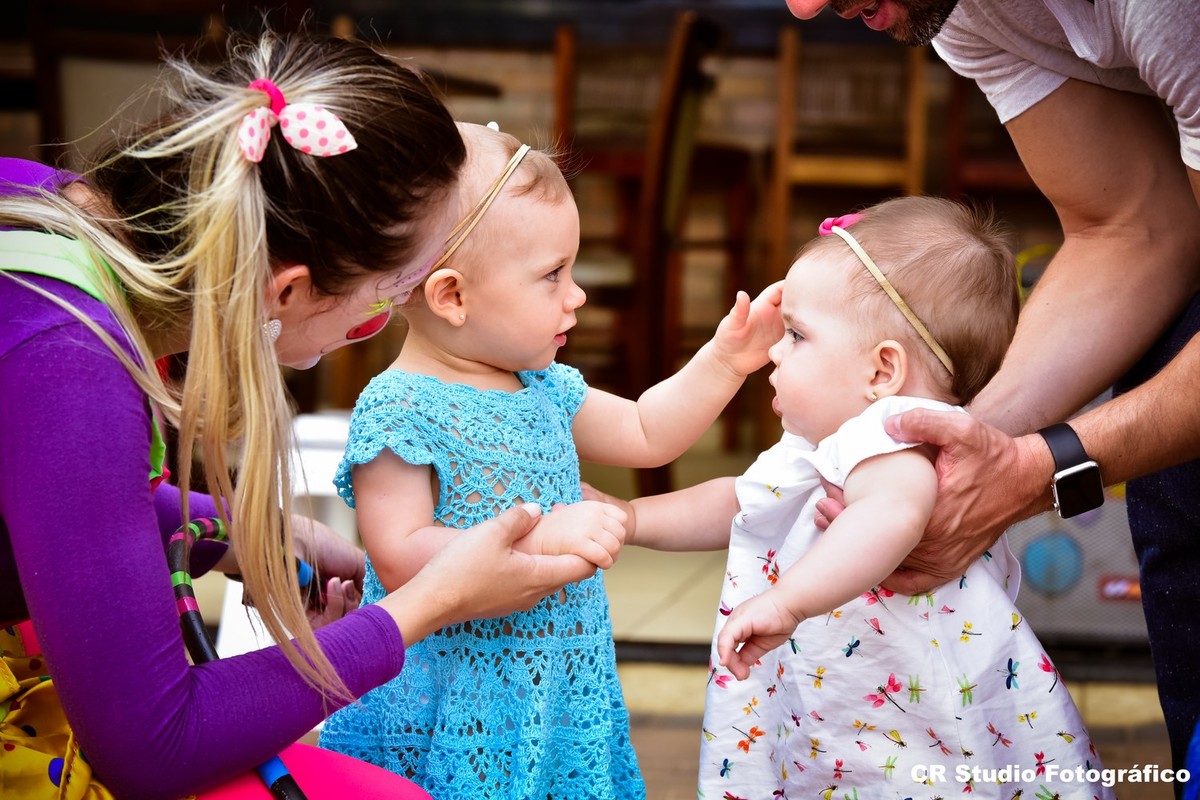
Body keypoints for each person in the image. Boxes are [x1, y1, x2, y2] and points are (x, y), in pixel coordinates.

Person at [0, 29, 609, 800]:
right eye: (386, 298)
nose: (383, 323)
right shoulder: (71, 361)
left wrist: (239, 537)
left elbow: (59, 498)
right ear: (287, 293)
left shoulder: (45, 215)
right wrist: (430, 604)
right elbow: (153, 748)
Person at [781, 0, 1200, 781]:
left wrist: (1043, 467)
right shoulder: (961, 13)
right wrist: (968, 446)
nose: (804, 7)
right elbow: (1132, 225)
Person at [315, 121, 782, 799]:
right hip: (453, 703)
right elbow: (399, 553)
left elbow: (650, 432)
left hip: (555, 688)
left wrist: (724, 360)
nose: (577, 294)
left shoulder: (545, 388)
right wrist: (540, 534)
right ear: (453, 296)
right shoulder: (400, 409)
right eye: (552, 275)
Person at [592, 197, 1113, 797]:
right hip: (849, 703)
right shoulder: (824, 445)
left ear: (881, 371)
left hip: (911, 722)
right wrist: (630, 517)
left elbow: (888, 517)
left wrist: (788, 601)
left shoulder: (893, 433)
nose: (775, 351)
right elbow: (739, 503)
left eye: (797, 335)